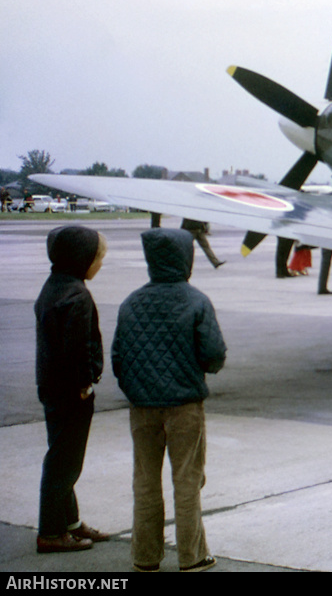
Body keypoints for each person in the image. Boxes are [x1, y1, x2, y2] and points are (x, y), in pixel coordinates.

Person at [112, 228, 226, 573]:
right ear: (186, 258)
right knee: (187, 481)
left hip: (142, 407)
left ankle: (146, 556)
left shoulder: (131, 301)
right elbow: (214, 354)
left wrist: (139, 389)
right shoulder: (195, 300)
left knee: (145, 481)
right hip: (184, 406)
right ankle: (192, 556)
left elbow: (119, 358)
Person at [35, 225, 110, 554]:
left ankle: (69, 522)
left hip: (51, 385)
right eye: (98, 257)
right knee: (65, 463)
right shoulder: (77, 295)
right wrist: (85, 382)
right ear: (81, 259)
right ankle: (51, 532)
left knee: (62, 455)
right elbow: (77, 348)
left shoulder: (55, 286)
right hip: (71, 391)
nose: (101, 263)